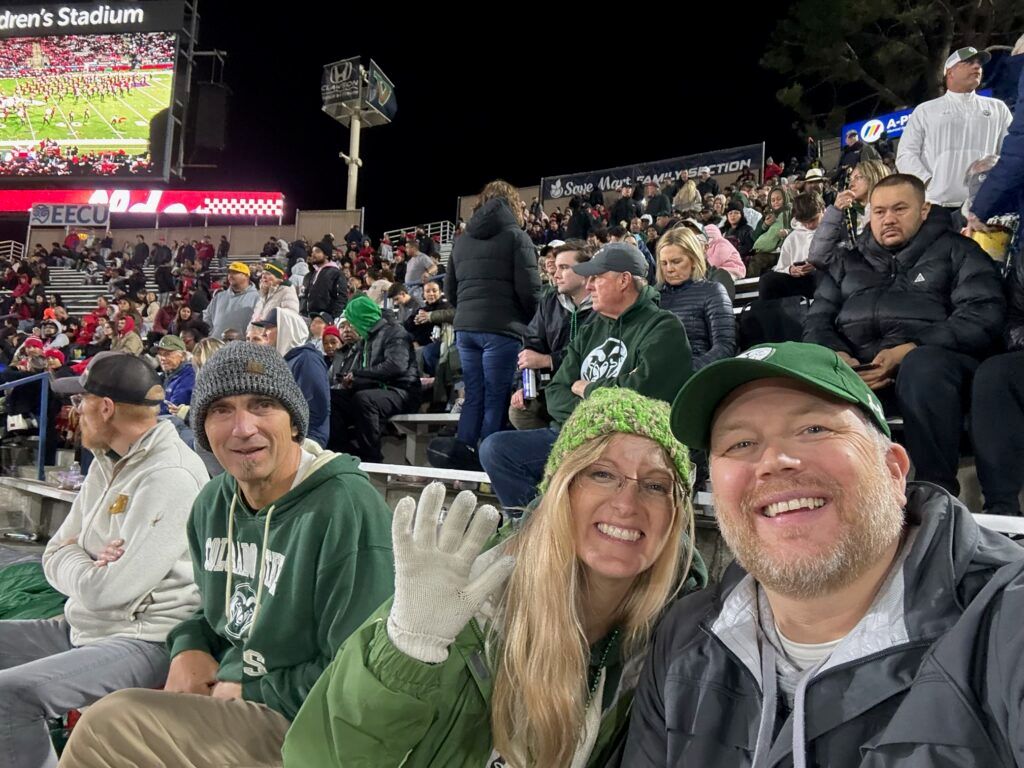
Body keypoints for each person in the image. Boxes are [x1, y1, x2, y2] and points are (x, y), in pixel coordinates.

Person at [624, 340, 1024, 767]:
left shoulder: (1005, 620)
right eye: (739, 444)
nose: (774, 461)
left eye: (814, 429)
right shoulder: (684, 635)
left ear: (893, 471)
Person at [283, 388, 707, 767]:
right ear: (560, 488)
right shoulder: (468, 598)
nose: (626, 503)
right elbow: (317, 758)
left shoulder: (672, 642)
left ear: (676, 515)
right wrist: (406, 654)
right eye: (602, 474)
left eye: (656, 486)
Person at [60, 343, 396, 768]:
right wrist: (190, 644)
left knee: (112, 724)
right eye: (221, 410)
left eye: (263, 405)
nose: (243, 428)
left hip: (314, 722)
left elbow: (360, 673)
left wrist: (250, 686)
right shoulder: (215, 502)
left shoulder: (346, 507)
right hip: (238, 694)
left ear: (293, 421)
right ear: (203, 429)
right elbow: (222, 613)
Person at [0, 353, 208, 768]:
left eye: (81, 400)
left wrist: (83, 562)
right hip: (88, 626)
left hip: (146, 639)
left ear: (106, 407)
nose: (74, 410)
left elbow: (109, 591)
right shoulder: (106, 461)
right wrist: (86, 561)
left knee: (10, 696)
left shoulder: (170, 476)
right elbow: (54, 553)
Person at [804, 173, 1005, 495]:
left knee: (923, 365)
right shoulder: (847, 261)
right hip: (858, 372)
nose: (888, 219)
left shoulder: (958, 250)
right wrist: (838, 357)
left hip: (937, 370)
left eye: (900, 209)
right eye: (880, 211)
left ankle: (936, 491)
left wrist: (911, 348)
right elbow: (817, 321)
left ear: (924, 210)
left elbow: (984, 312)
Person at [480, 243, 693, 511]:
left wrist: (588, 388)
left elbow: (641, 397)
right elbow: (558, 391)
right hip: (572, 433)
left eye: (596, 278)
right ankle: (535, 530)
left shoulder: (664, 327)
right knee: (496, 450)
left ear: (624, 281)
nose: (589, 286)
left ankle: (551, 531)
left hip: (621, 444)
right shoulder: (590, 330)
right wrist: (598, 402)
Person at [429, 180, 541, 471]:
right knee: (495, 397)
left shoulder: (462, 240)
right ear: (513, 204)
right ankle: (487, 465)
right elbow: (530, 291)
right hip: (502, 329)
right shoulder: (517, 237)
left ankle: (463, 460)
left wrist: (467, 311)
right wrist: (530, 321)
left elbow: (450, 291)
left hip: (466, 328)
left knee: (474, 395)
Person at [897, 46, 1012, 224]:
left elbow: (1010, 151)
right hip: (938, 205)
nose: (977, 67)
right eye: (969, 62)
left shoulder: (997, 108)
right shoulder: (926, 111)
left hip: (984, 203)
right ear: (949, 72)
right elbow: (906, 154)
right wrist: (928, 182)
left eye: (979, 63)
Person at [509, 240, 595, 431]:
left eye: (563, 268)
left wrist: (549, 360)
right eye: (555, 268)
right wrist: (524, 385)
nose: (555, 275)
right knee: (519, 411)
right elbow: (531, 343)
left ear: (586, 271)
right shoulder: (550, 301)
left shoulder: (601, 306)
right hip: (552, 387)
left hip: (585, 389)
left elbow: (588, 353)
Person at [328, 296, 418, 461]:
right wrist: (353, 380)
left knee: (365, 399)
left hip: (401, 392)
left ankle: (372, 458)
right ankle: (344, 453)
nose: (351, 327)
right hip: (377, 389)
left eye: (352, 321)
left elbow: (396, 366)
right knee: (331, 397)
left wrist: (358, 375)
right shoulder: (367, 339)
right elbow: (370, 373)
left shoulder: (395, 332)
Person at [656, 227, 736, 370]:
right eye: (664, 263)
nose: (669, 269)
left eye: (676, 261)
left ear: (693, 260)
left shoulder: (713, 291)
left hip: (695, 377)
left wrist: (687, 371)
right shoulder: (654, 296)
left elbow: (725, 347)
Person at [253, 308, 330, 449]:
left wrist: (296, 435)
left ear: (286, 329)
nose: (264, 333)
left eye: (270, 328)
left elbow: (317, 408)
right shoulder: (284, 360)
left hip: (307, 439)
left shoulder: (307, 358)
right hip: (287, 436)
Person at [808, 159, 892, 269]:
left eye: (858, 177)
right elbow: (817, 256)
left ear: (875, 177)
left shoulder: (892, 213)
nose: (851, 184)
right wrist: (835, 210)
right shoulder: (845, 216)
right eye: (850, 179)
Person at [759, 192, 825, 301]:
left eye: (813, 220)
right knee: (767, 280)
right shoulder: (792, 238)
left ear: (823, 210)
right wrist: (790, 270)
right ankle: (770, 315)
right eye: (804, 222)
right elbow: (780, 268)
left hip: (825, 278)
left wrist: (817, 265)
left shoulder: (833, 228)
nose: (809, 225)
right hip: (803, 282)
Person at [205, 262, 260, 340]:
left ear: (246, 276)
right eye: (229, 273)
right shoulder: (220, 296)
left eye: (235, 272)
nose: (230, 275)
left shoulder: (257, 298)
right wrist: (212, 333)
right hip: (217, 344)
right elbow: (207, 316)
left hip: (241, 346)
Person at [249, 260, 299, 331]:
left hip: (271, 337)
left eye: (268, 274)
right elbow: (255, 316)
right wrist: (249, 332)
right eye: (263, 273)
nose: (264, 276)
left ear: (278, 277)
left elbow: (290, 318)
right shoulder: (264, 293)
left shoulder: (287, 291)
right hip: (257, 337)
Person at [301, 241, 346, 320]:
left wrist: (333, 318)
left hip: (325, 319)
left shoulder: (335, 273)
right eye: (312, 252)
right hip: (311, 317)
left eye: (317, 251)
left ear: (326, 255)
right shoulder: (314, 272)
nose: (313, 254)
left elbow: (341, 298)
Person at [154, 335, 195, 417]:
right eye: (160, 354)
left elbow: (173, 409)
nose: (162, 358)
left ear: (182, 356)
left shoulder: (189, 376)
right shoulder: (164, 376)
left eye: (167, 354)